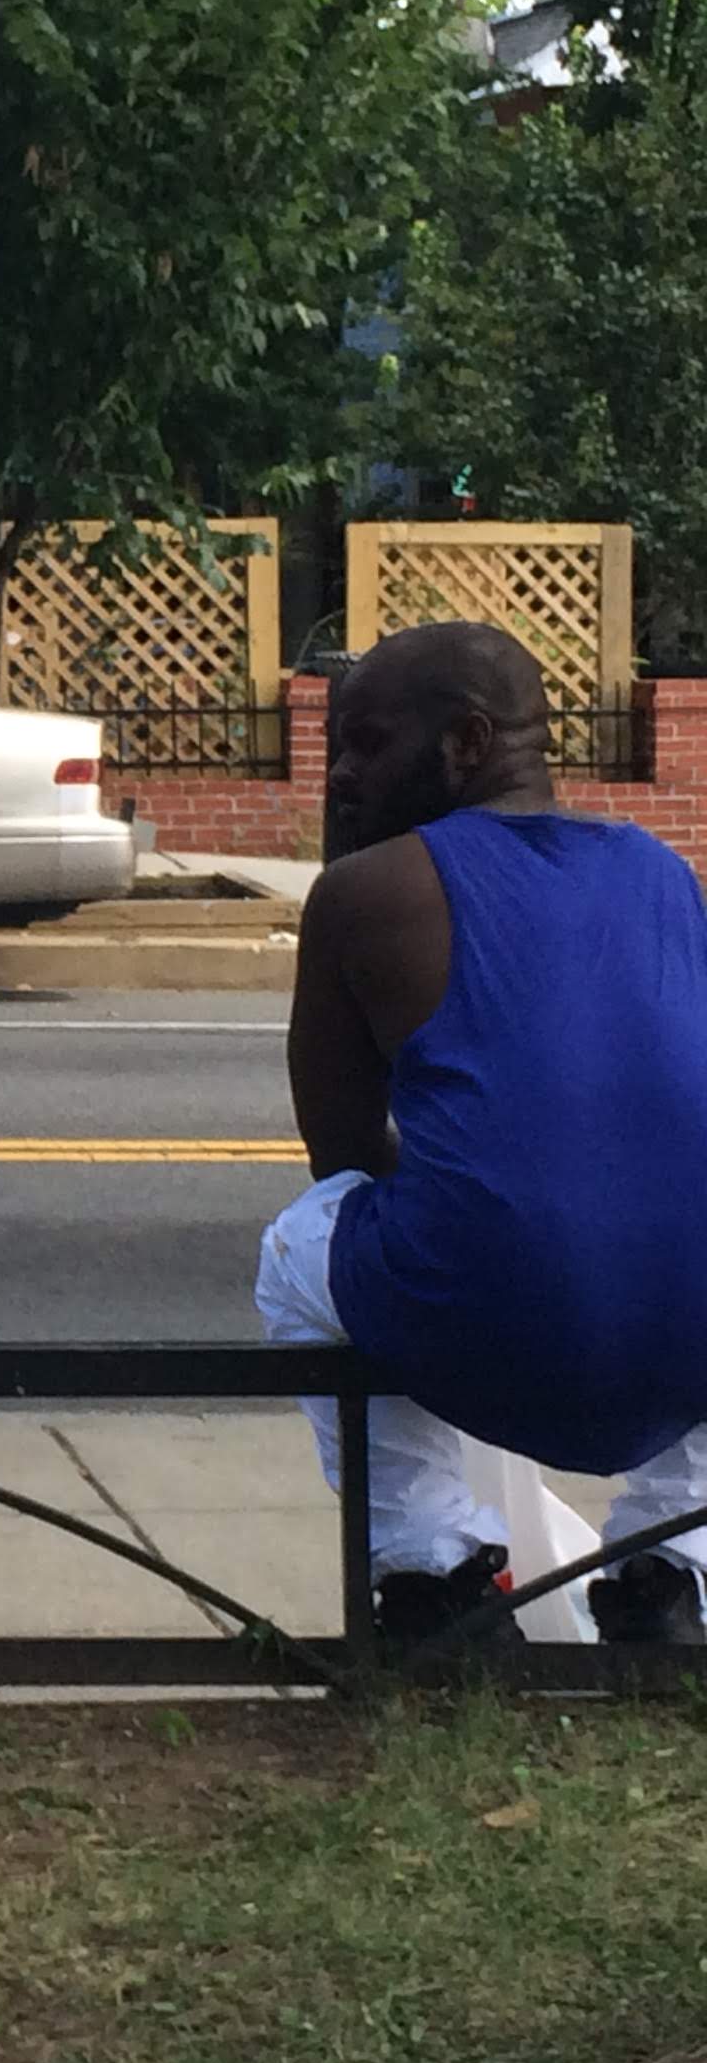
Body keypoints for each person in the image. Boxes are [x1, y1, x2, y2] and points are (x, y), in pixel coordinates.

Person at [257, 621, 707, 1645]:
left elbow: (345, 1161)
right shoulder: (661, 871)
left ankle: (431, 1579)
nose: (341, 775)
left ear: (464, 744)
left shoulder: (373, 893)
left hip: (494, 1318)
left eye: (365, 745)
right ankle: (668, 1574)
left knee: (297, 1248)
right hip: (689, 1342)